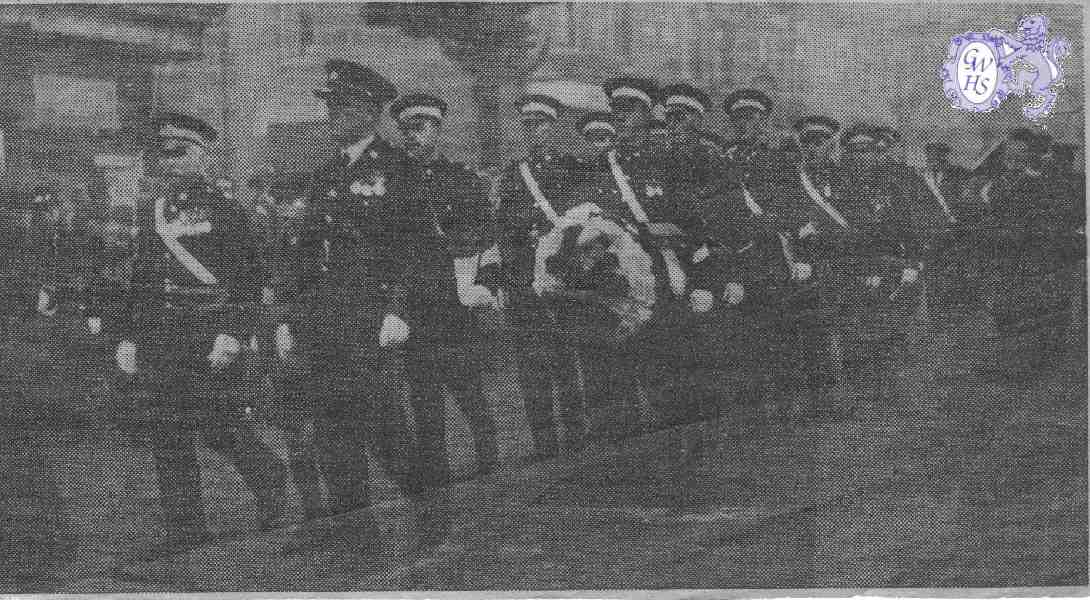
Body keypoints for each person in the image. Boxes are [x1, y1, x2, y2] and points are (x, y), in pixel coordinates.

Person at [109, 112, 286, 555]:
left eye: (180, 153)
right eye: (164, 154)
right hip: (160, 335)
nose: (170, 163)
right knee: (165, 431)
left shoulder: (224, 208)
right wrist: (129, 335)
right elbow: (144, 278)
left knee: (216, 423)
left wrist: (233, 332)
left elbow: (249, 278)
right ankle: (185, 530)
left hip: (209, 331)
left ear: (203, 155)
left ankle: (266, 471)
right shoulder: (151, 210)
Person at [390, 92, 501, 479]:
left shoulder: (462, 179)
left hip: (456, 303)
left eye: (420, 128)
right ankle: (437, 476)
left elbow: (488, 238)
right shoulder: (393, 184)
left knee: (469, 390)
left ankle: (490, 462)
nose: (412, 137)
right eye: (405, 130)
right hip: (416, 304)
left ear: (437, 130)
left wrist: (484, 285)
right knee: (423, 398)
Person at [494, 93, 585, 457]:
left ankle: (576, 436)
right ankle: (544, 442)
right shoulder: (513, 174)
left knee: (564, 358)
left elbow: (583, 224)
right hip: (522, 281)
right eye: (528, 125)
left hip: (560, 279)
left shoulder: (570, 168)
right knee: (530, 364)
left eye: (541, 124)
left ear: (553, 126)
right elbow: (503, 229)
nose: (534, 132)